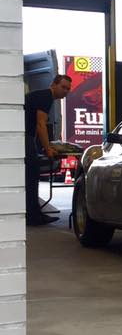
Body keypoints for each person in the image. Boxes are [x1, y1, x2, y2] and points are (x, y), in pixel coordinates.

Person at [24, 75, 72, 226]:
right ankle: (33, 216)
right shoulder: (46, 96)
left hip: (25, 136)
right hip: (24, 137)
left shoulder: (43, 96)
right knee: (32, 175)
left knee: (30, 176)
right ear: (54, 84)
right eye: (63, 87)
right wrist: (48, 149)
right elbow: (41, 124)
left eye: (68, 89)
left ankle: (33, 213)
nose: (66, 91)